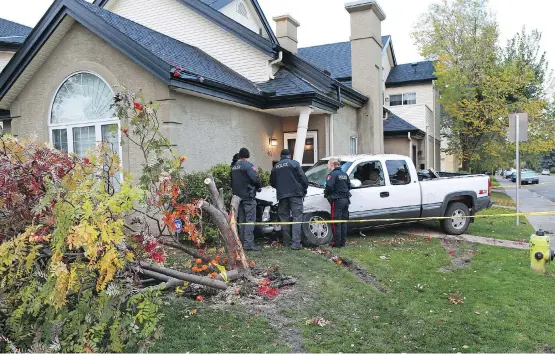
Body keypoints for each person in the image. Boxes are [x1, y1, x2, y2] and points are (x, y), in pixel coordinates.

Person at [270, 149, 308, 250]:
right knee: (297, 217)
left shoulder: (275, 167)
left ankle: (286, 242)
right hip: (296, 194)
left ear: (281, 156)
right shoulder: (294, 164)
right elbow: (303, 178)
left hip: (282, 196)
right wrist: (304, 188)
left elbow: (272, 182)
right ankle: (296, 244)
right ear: (289, 156)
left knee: (284, 218)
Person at [231, 148, 261, 251]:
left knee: (242, 221)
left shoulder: (234, 166)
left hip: (237, 197)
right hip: (248, 196)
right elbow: (255, 178)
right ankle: (249, 244)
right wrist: (259, 186)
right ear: (247, 155)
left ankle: (242, 243)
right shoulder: (248, 165)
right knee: (250, 220)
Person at [324, 158, 351, 248]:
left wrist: (327, 195)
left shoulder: (332, 175)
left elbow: (329, 187)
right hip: (346, 200)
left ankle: (336, 243)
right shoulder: (344, 174)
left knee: (336, 223)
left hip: (337, 201)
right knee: (343, 222)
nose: (328, 166)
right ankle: (343, 243)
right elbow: (348, 186)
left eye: (328, 164)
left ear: (332, 164)